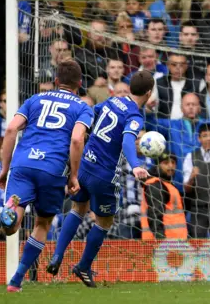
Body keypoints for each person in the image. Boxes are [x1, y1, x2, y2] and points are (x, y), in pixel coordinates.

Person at [46, 71, 155, 288]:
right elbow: (126, 142)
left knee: (78, 208)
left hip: (86, 163)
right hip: (104, 174)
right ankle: (83, 266)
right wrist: (135, 166)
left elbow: (93, 112)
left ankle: (57, 255)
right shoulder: (135, 116)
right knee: (105, 221)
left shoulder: (114, 100)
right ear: (149, 93)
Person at [0, 61, 94, 292]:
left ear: (56, 81)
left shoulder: (35, 99)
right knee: (42, 222)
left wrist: (4, 169)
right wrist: (74, 176)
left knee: (12, 227)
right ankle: (16, 280)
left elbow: (11, 129)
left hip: (23, 164)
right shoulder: (83, 107)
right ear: (80, 84)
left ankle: (11, 209)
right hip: (51, 169)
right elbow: (77, 139)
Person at [140, 151, 187, 240]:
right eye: (166, 163)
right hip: (162, 242)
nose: (170, 166)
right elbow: (154, 214)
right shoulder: (156, 185)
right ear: (158, 166)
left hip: (174, 241)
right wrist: (160, 239)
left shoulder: (168, 185)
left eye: (173, 163)